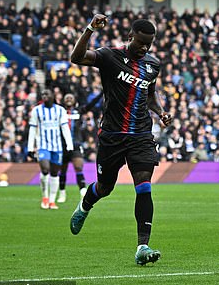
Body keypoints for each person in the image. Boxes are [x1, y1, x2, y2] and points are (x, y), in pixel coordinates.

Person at [69, 14, 173, 266]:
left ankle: (142, 246)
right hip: (113, 135)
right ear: (130, 37)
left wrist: (160, 112)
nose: (145, 48)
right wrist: (90, 29)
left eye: (149, 43)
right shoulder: (109, 56)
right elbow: (77, 57)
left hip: (141, 135)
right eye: (141, 43)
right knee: (105, 187)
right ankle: (84, 206)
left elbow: (150, 94)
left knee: (144, 185)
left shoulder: (152, 64)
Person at [27, 89, 74, 210]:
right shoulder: (36, 110)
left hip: (57, 146)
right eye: (42, 94)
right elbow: (32, 129)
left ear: (53, 96)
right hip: (43, 145)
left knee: (54, 173)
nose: (44, 96)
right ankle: (45, 197)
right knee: (45, 168)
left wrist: (69, 145)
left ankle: (52, 201)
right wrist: (30, 147)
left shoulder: (60, 110)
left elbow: (65, 128)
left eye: (47, 94)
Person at [57, 93, 102, 203]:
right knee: (62, 170)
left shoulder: (79, 110)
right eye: (66, 97)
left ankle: (82, 191)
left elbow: (91, 104)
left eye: (71, 98)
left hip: (76, 144)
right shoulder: (59, 111)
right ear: (63, 100)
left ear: (74, 100)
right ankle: (62, 193)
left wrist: (101, 94)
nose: (68, 99)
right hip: (62, 145)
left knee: (78, 166)